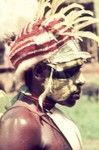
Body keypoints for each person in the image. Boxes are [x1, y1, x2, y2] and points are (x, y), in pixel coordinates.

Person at [0, 1, 99, 150]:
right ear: (38, 72)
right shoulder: (20, 122)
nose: (81, 80)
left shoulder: (46, 112)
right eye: (69, 71)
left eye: (79, 69)